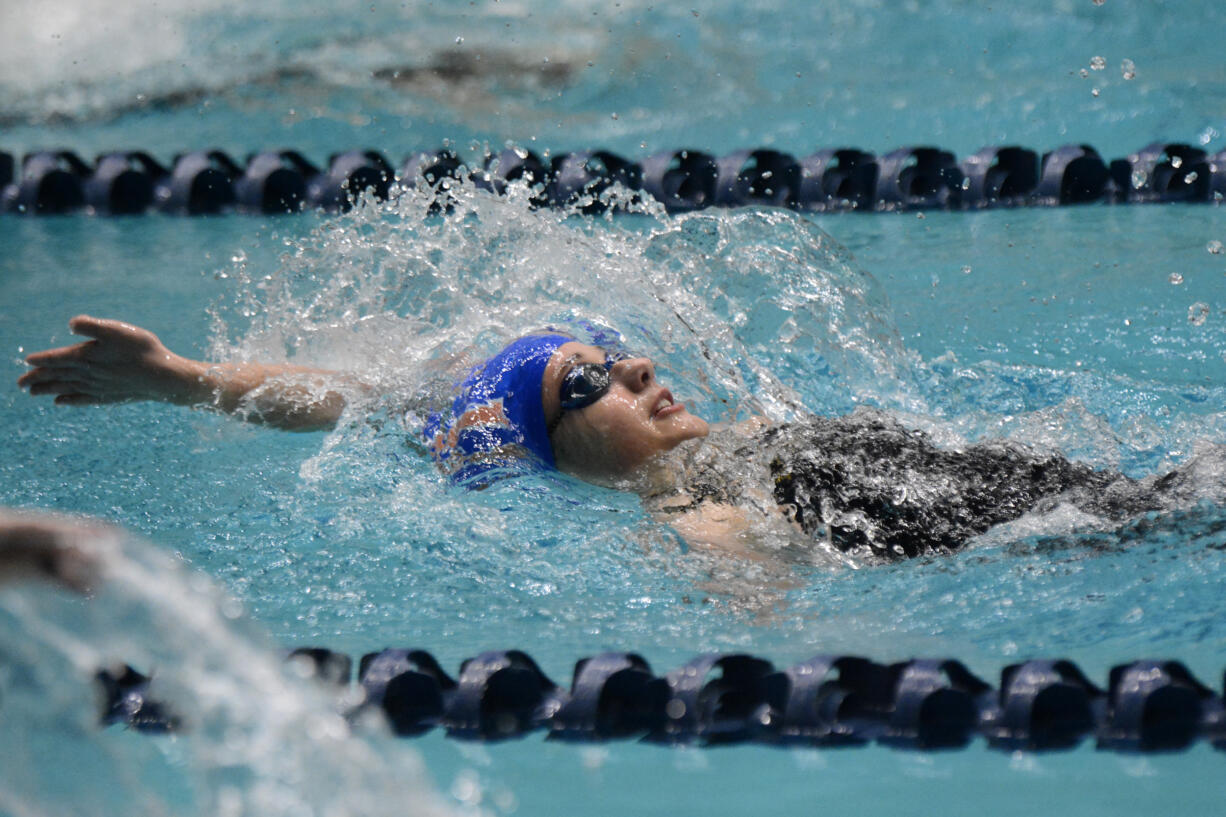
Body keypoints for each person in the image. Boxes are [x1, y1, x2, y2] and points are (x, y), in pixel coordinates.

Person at [17, 315, 1198, 561]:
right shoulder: (687, 494)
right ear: (558, 451)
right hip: (1139, 522)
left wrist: (191, 380)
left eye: (617, 357)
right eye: (591, 382)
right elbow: (730, 553)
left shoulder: (724, 453)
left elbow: (364, 403)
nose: (636, 366)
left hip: (1129, 498)